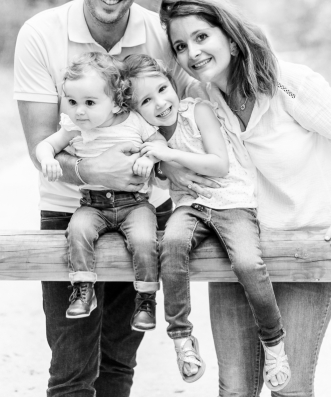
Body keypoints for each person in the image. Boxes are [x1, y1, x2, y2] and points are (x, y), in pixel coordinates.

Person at [157, 0, 331, 396]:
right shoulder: (200, 99)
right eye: (180, 45)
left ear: (229, 34)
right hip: (235, 254)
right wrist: (170, 162)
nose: (192, 52)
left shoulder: (289, 83)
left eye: (201, 36)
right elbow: (172, 155)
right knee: (236, 389)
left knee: (289, 390)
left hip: (304, 253)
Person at [13, 0, 198, 397]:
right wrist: (104, 171)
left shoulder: (161, 38)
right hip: (69, 210)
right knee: (73, 367)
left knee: (118, 362)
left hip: (147, 209)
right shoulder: (41, 33)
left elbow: (180, 124)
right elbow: (41, 144)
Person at [121, 54, 290, 390]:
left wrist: (168, 156)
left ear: (172, 83)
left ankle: (273, 343)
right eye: (146, 100)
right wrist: (150, 164)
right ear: (134, 109)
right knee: (170, 245)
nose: (160, 102)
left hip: (232, 202)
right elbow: (156, 182)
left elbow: (219, 164)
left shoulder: (196, 110)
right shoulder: (148, 136)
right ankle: (182, 339)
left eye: (162, 89)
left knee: (247, 262)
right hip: (191, 206)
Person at [35, 52, 163, 329]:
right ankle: (83, 290)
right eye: (71, 102)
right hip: (93, 204)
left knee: (144, 239)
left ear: (116, 104)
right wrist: (47, 159)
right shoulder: (74, 127)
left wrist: (147, 158)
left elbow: (160, 142)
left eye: (89, 103)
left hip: (135, 204)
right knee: (78, 230)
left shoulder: (134, 121)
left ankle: (146, 298)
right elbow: (46, 145)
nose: (79, 110)